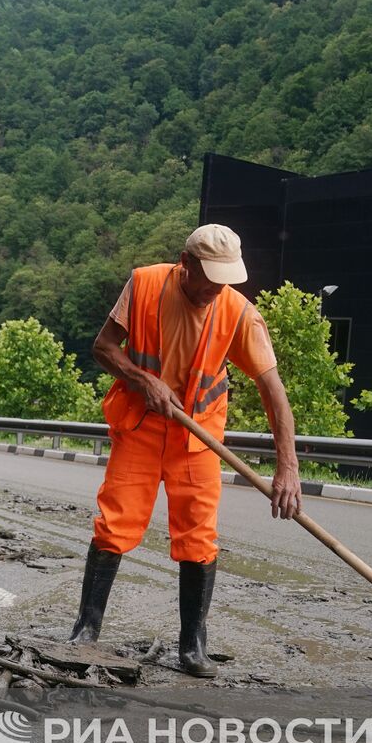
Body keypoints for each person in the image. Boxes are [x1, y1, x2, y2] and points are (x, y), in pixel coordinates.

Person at [70, 224, 302, 677]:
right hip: (140, 426)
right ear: (185, 263)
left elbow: (273, 391)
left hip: (197, 438)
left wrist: (287, 467)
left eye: (225, 280)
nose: (215, 289)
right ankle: (86, 631)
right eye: (208, 278)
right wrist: (143, 380)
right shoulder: (145, 284)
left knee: (198, 537)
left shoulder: (238, 312)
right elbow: (103, 347)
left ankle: (193, 646)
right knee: (115, 524)